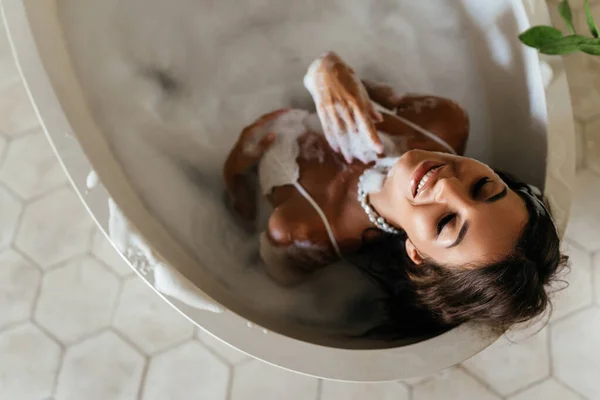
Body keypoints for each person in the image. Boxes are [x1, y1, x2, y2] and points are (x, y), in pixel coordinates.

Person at [223, 52, 567, 335]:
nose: (448, 186)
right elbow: (364, 89)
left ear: (416, 253)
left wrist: (237, 170)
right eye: (482, 187)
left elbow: (239, 196)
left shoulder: (304, 228)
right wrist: (328, 71)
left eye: (447, 222)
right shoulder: (442, 121)